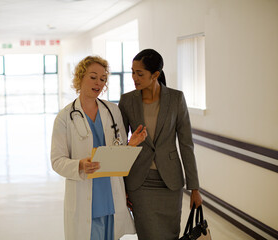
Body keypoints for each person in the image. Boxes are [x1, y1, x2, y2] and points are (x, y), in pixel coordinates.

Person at [51, 56, 147, 240]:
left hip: (111, 196)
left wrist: (131, 144)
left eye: (103, 79)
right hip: (84, 196)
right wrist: (79, 165)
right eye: (93, 77)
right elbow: (56, 161)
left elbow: (116, 154)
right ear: (80, 78)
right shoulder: (65, 117)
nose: (98, 83)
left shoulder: (112, 111)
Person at [118, 49, 203, 240]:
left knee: (171, 234)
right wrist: (120, 186)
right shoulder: (127, 101)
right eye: (132, 72)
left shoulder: (176, 99)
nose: (134, 78)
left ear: (155, 75)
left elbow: (186, 144)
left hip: (170, 183)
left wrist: (195, 188)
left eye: (140, 74)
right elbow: (121, 145)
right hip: (140, 182)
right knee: (147, 234)